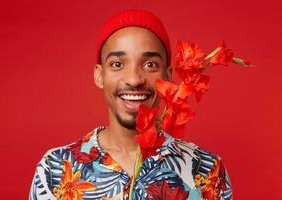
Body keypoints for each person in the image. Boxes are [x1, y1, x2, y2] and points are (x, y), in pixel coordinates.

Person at [29, 9, 232, 200]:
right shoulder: (55, 168)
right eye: (117, 64)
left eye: (150, 64)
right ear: (100, 75)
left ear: (168, 76)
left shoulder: (206, 168)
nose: (134, 79)